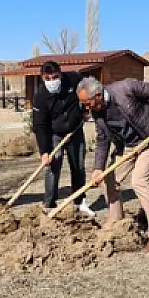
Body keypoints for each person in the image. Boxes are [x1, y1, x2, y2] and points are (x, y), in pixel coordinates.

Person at [77, 76, 149, 253]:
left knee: (139, 182)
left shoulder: (126, 89)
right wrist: (98, 168)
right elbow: (102, 140)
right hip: (128, 147)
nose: (87, 107)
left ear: (98, 95)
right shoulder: (98, 113)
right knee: (108, 180)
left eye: (87, 102)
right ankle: (117, 223)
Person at [32, 61, 94, 216]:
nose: (52, 81)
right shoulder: (40, 95)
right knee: (52, 167)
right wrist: (44, 151)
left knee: (78, 167)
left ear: (61, 74)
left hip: (75, 130)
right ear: (42, 78)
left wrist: (87, 110)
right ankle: (49, 203)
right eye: (48, 78)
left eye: (55, 77)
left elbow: (90, 89)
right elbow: (40, 125)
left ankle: (80, 202)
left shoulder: (74, 79)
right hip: (55, 134)